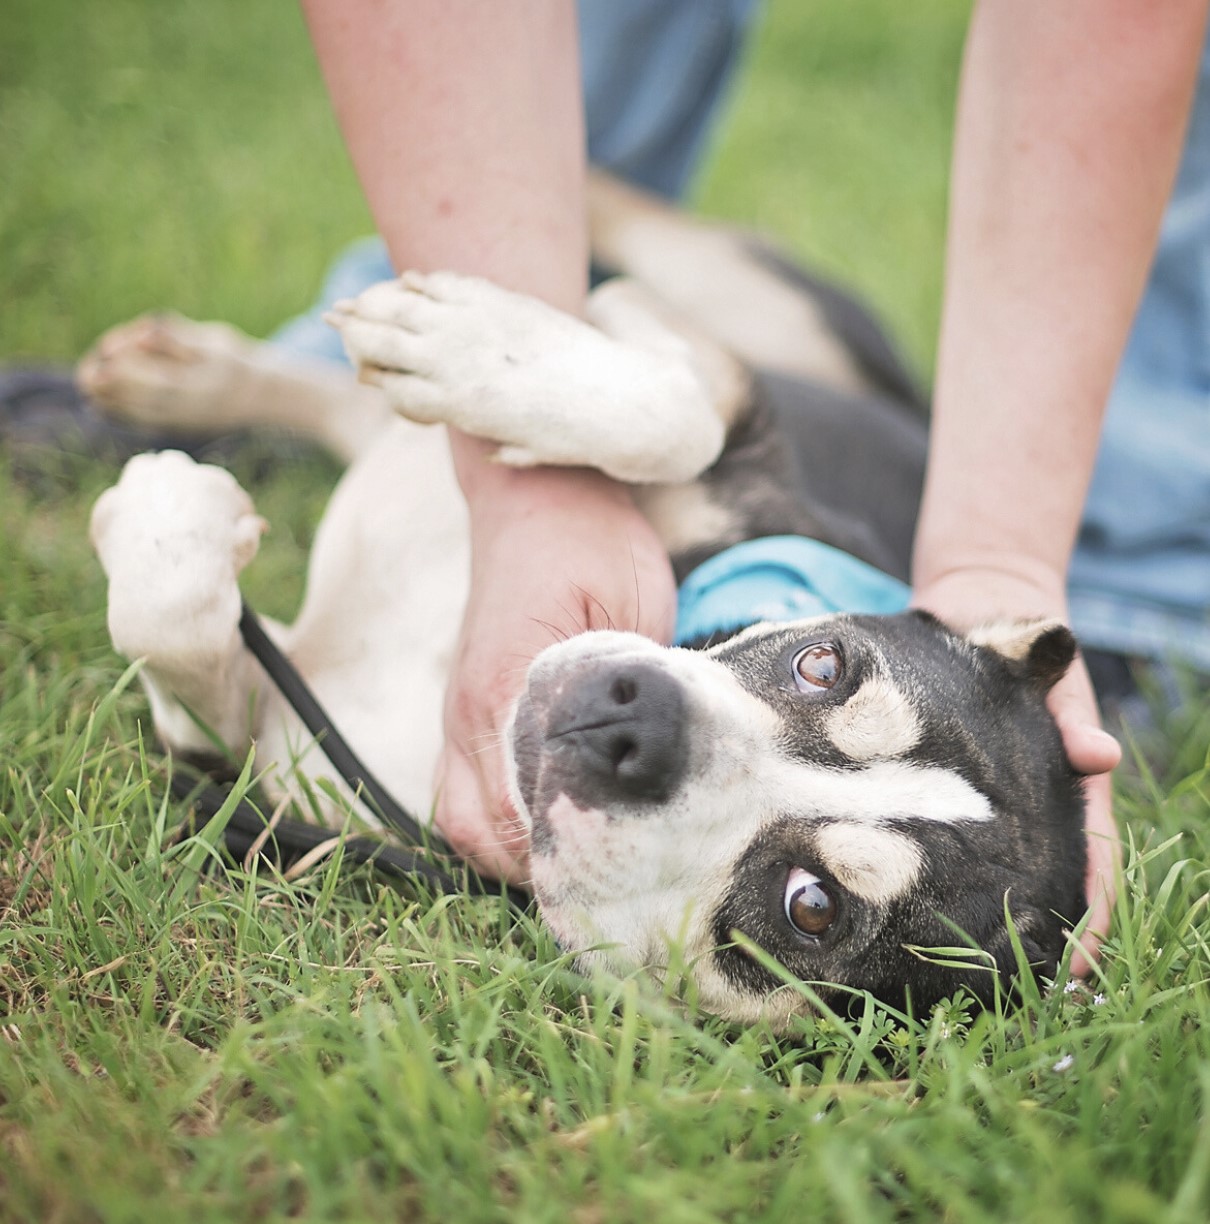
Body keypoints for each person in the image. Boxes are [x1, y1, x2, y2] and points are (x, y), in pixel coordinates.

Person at [299, 0, 1210, 974]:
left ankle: (1133, 590)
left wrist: (1003, 554)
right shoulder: (763, 509)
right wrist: (535, 475)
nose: (658, 727)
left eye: (810, 905)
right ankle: (391, 293)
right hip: (746, 376)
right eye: (824, 675)